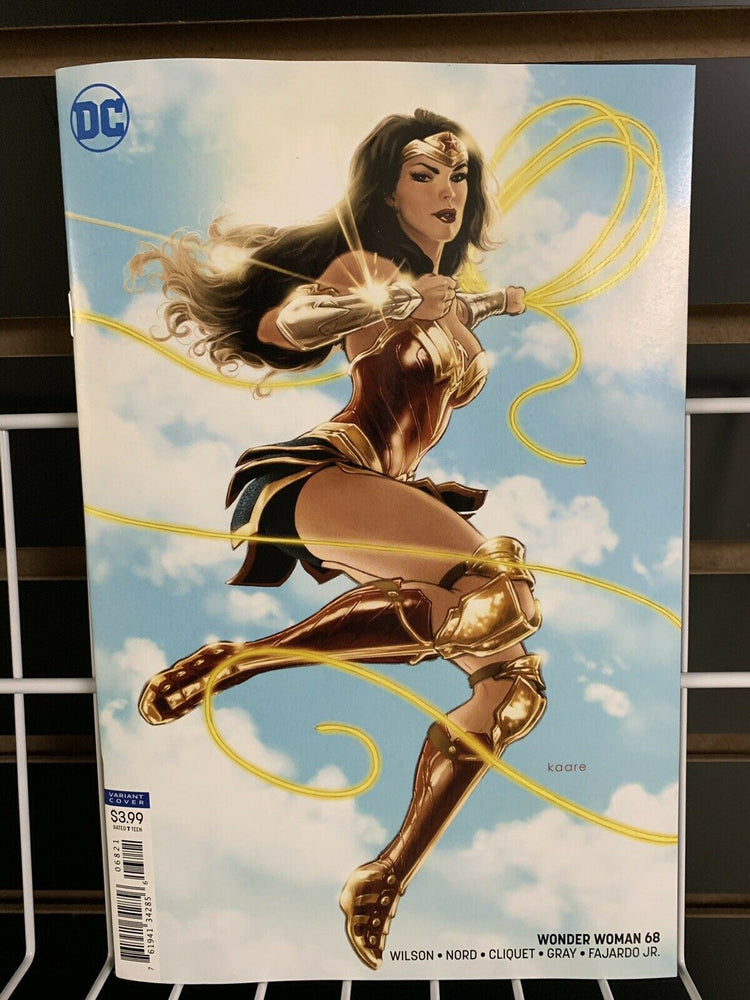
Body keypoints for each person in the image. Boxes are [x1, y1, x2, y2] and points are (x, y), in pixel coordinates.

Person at [130, 109, 547, 971]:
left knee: (512, 691)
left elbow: (451, 316)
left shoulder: (443, 291)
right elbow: (289, 325)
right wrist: (389, 300)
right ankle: (239, 661)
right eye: (423, 173)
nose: (447, 189)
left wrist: (494, 303)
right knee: (498, 594)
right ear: (386, 191)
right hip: (328, 471)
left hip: (392, 492)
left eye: (457, 174)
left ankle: (385, 876)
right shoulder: (370, 267)